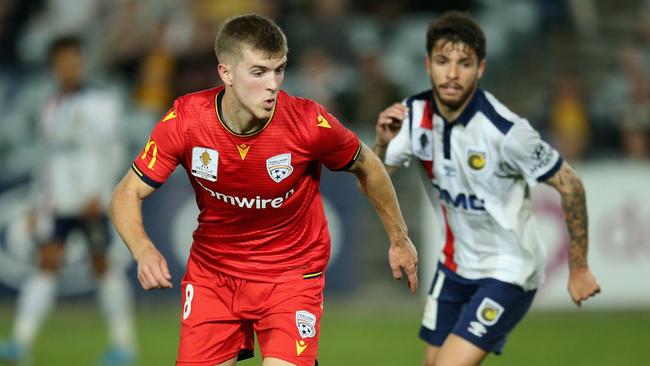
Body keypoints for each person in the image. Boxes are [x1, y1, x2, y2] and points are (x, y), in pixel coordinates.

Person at [109, 14, 418, 366]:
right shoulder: (186, 120)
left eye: (279, 70)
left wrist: (399, 238)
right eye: (258, 72)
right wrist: (144, 249)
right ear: (225, 73)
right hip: (214, 276)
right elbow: (125, 193)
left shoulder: (307, 122)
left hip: (290, 276)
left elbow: (368, 165)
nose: (273, 84)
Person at [372, 11, 601, 366]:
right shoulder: (413, 116)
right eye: (442, 61)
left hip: (508, 270)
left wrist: (580, 266)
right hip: (454, 266)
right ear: (427, 64)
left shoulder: (506, 131)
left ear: (480, 69)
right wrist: (383, 144)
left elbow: (570, 184)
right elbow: (375, 178)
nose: (451, 73)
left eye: (464, 63)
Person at [0, 36, 137, 366]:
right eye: (62, 62)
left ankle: (124, 345)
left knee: (102, 266)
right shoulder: (51, 107)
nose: (69, 67)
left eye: (74, 60)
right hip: (59, 203)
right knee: (47, 262)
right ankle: (20, 342)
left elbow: (114, 152)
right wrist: (37, 202)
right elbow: (48, 159)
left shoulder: (101, 103)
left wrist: (102, 194)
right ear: (54, 67)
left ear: (82, 62)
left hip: (91, 201)